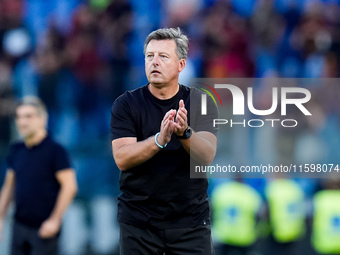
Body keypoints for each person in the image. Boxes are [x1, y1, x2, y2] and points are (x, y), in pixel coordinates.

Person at [110, 27, 218, 254]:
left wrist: (184, 133)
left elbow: (206, 156)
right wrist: (159, 140)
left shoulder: (202, 102)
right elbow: (122, 158)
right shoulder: (126, 104)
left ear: (181, 65)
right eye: (150, 56)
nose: (154, 62)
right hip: (139, 223)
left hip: (190, 222)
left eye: (163, 56)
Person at [0, 96, 78, 255]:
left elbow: (70, 187)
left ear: (42, 118)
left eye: (28, 116)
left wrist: (54, 220)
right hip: (19, 226)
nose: (23, 122)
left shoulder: (56, 151)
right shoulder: (16, 150)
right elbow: (9, 186)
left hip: (44, 229)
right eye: (19, 117)